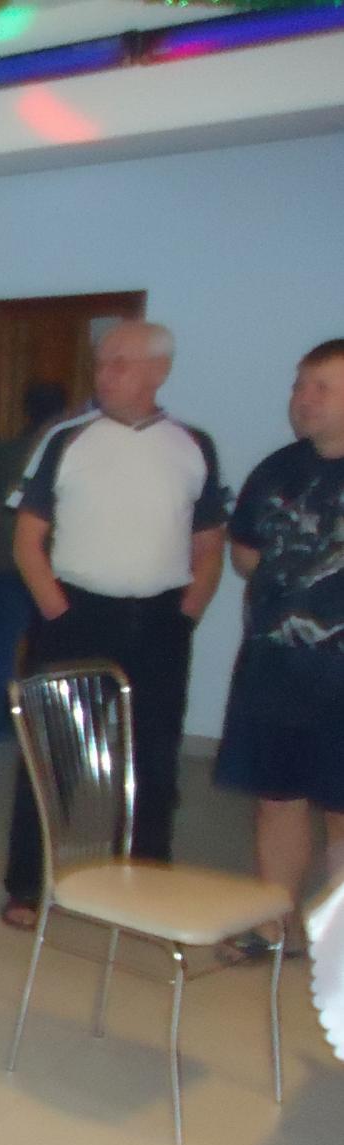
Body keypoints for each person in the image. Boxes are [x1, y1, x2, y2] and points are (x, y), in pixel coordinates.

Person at [0, 321, 228, 929]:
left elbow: (210, 546)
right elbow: (27, 540)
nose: (104, 374)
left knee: (154, 759)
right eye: (102, 363)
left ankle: (146, 880)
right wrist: (57, 611)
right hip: (75, 615)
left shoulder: (193, 445)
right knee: (55, 755)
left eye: (120, 362)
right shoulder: (66, 440)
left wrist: (186, 615)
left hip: (159, 620)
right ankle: (29, 884)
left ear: (159, 371)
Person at [213, 339, 344, 962]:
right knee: (277, 802)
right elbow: (244, 555)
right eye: (299, 385)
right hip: (273, 671)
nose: (303, 398)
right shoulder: (276, 470)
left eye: (322, 387)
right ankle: (273, 929)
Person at [0, 381, 69, 741]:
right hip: (51, 563)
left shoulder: (5, 451)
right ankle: (38, 724)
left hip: (6, 557)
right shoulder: (66, 453)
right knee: (46, 648)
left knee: (2, 644)